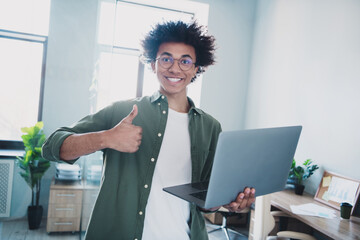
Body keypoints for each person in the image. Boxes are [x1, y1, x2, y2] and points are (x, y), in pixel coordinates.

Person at [42, 20, 255, 240]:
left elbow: (204, 202)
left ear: (195, 68)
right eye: (166, 59)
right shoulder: (122, 111)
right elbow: (52, 146)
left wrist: (228, 203)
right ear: (153, 64)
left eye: (185, 61)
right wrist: (106, 138)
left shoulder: (210, 127)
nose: (174, 68)